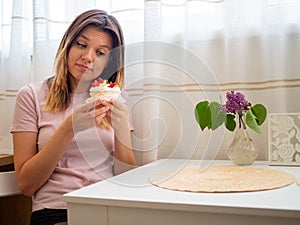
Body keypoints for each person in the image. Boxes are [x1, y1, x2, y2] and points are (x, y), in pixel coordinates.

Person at [10, 9, 136, 225]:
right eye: (81, 44)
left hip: (108, 209)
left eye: (101, 52)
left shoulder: (116, 97)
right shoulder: (31, 95)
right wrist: (69, 129)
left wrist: (122, 131)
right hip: (57, 211)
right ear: (67, 45)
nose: (88, 57)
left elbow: (128, 182)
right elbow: (26, 184)